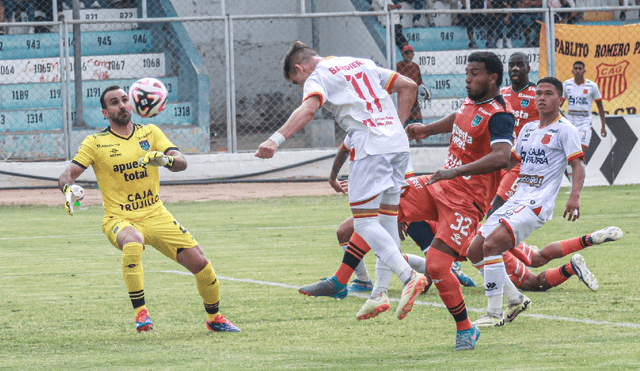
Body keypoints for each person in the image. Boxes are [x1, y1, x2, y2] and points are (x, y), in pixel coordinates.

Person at [255, 41, 429, 320]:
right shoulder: (360, 61)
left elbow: (309, 110)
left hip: (370, 146)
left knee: (364, 222)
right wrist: (396, 126)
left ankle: (409, 277)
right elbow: (408, 85)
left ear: (299, 68)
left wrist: (275, 140)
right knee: (386, 221)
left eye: (297, 80)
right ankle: (379, 293)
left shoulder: (318, 75)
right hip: (397, 146)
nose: (301, 85)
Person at [58, 86, 240, 333]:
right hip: (119, 218)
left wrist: (166, 160)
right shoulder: (95, 142)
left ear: (132, 104)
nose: (121, 105)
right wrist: (68, 189)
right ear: (105, 112)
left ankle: (215, 318)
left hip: (157, 214)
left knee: (202, 265)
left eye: (124, 100)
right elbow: (68, 174)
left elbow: (182, 162)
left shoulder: (151, 132)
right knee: (133, 241)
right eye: (114, 102)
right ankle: (141, 313)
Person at [402, 51, 515, 350]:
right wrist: (427, 129)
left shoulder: (500, 115)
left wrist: (456, 171)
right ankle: (363, 282)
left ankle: (466, 329)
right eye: (467, 72)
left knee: (437, 266)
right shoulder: (472, 101)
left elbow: (502, 157)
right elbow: (459, 118)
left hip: (466, 202)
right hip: (441, 185)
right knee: (391, 198)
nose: (467, 78)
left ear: (492, 78)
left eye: (474, 73)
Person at [466, 76, 585, 328]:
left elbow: (577, 164)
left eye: (548, 94)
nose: (541, 97)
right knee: (474, 251)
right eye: (538, 93)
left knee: (492, 245)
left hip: (536, 203)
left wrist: (574, 197)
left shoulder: (566, 129)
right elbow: (511, 162)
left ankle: (494, 312)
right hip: (516, 199)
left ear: (560, 99)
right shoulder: (529, 128)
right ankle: (516, 298)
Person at [404, 225, 623, 292]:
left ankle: (571, 268)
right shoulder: (427, 202)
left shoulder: (414, 223)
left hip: (485, 249)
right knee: (537, 257)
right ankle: (588, 238)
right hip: (492, 230)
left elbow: (433, 265)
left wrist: (420, 286)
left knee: (533, 283)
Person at [489, 52, 539, 216]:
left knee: (496, 210)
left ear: (528, 68)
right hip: (499, 158)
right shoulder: (501, 94)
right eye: (511, 65)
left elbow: (559, 122)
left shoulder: (538, 95)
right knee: (491, 209)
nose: (515, 68)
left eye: (520, 64)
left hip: (521, 163)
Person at [562, 61, 607, 182]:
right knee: (570, 153)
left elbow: (600, 106)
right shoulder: (566, 85)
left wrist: (603, 126)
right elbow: (559, 105)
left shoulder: (592, 86)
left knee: (580, 153)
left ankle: (579, 182)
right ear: (572, 71)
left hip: (585, 124)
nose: (577, 70)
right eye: (575, 68)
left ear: (584, 71)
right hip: (570, 123)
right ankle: (573, 184)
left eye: (580, 68)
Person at [396, 44, 424, 126]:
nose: (408, 55)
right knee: (404, 129)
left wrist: (425, 91)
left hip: (414, 102)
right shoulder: (398, 66)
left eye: (410, 53)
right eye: (406, 53)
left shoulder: (415, 67)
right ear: (402, 55)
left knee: (418, 128)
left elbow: (420, 82)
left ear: (413, 55)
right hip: (403, 101)